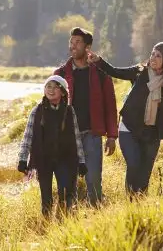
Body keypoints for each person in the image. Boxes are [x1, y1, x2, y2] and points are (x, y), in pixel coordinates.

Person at [87, 42, 163, 196]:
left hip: (152, 133)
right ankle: (131, 201)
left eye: (158, 55)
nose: (153, 58)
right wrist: (99, 61)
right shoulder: (139, 72)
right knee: (134, 164)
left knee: (144, 174)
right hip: (129, 128)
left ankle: (139, 206)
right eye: (152, 53)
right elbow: (115, 71)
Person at [54, 27, 118, 206]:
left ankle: (96, 212)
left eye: (78, 42)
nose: (73, 46)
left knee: (94, 179)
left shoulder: (100, 72)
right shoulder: (60, 74)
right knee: (67, 180)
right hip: (68, 135)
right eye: (71, 42)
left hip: (92, 134)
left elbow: (110, 106)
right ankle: (67, 216)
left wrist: (112, 136)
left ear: (88, 47)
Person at [17, 75, 87, 216]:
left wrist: (81, 161)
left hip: (65, 159)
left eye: (55, 87)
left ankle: (64, 222)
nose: (51, 90)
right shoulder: (37, 111)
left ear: (63, 92)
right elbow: (28, 136)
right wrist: (22, 159)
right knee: (46, 198)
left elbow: (76, 137)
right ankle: (47, 224)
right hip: (43, 160)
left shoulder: (69, 111)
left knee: (66, 194)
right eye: (48, 86)